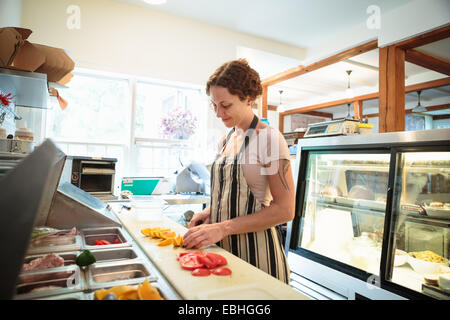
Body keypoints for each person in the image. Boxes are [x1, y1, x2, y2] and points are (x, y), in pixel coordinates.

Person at [182, 59, 295, 284]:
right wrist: (209, 213)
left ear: (249, 99)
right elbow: (233, 195)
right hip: (222, 253)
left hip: (259, 256)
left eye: (226, 105)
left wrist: (223, 227)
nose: (218, 113)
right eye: (214, 105)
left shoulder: (269, 139)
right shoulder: (225, 140)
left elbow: (285, 210)